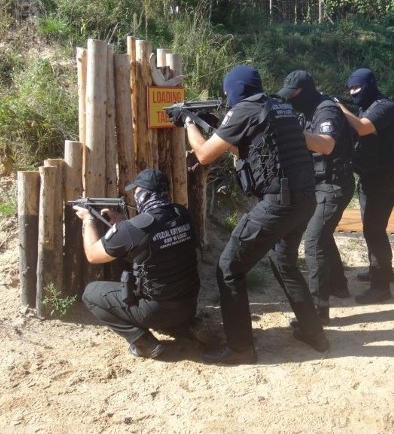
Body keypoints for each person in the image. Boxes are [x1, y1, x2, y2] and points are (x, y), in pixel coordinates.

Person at [175, 65, 329, 365]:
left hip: (279, 202)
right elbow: (247, 146)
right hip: (304, 199)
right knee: (284, 263)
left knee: (229, 267)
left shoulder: (244, 109)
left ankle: (241, 347)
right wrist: (211, 125)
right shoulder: (278, 106)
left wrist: (187, 123)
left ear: (235, 89)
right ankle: (314, 333)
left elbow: (205, 154)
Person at [75, 169, 200, 359]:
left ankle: (144, 343)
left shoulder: (133, 229)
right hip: (188, 305)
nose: (135, 196)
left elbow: (93, 255)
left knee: (91, 293)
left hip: (157, 311)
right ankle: (182, 328)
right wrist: (123, 223)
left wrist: (89, 220)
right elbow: (155, 239)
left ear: (145, 194)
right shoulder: (181, 213)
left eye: (138, 191)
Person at [277, 70, 354, 324]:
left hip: (333, 185)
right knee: (322, 235)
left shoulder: (326, 110)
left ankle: (318, 311)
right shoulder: (306, 110)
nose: (290, 101)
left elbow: (326, 145)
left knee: (313, 241)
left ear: (306, 92)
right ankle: (339, 285)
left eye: (294, 96)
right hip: (318, 183)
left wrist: (290, 132)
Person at [337, 68, 394, 304]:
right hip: (372, 176)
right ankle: (382, 271)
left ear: (370, 85)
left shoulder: (384, 107)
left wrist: (338, 107)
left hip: (385, 178)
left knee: (374, 231)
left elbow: (362, 127)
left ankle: (381, 286)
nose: (354, 93)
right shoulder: (367, 105)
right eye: (350, 90)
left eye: (358, 88)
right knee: (372, 228)